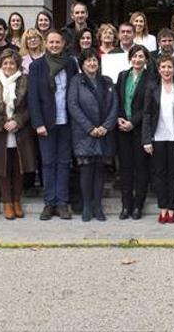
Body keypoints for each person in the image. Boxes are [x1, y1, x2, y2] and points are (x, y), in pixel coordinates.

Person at [28, 30, 80, 220]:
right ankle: (49, 203)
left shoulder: (71, 64)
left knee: (64, 163)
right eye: (51, 42)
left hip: (66, 121)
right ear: (46, 43)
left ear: (63, 43)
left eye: (58, 42)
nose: (55, 45)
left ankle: (62, 203)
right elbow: (32, 98)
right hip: (46, 124)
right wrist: (38, 123)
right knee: (48, 163)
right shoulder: (37, 66)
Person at [0, 49, 35, 220]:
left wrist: (17, 121)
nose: (8, 66)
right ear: (0, 64)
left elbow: (29, 107)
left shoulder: (25, 81)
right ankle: (7, 203)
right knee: (3, 170)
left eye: (12, 63)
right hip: (0, 133)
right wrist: (2, 122)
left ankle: (17, 201)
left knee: (18, 169)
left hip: (20, 132)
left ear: (17, 65)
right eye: (5, 63)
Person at [67, 49, 118, 222]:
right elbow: (73, 105)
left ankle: (98, 205)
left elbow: (114, 106)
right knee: (86, 171)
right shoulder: (76, 81)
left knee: (100, 171)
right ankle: (87, 206)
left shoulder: (107, 81)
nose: (92, 63)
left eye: (94, 60)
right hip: (84, 133)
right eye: (88, 61)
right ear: (82, 64)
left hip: (104, 133)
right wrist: (90, 128)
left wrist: (106, 126)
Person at [143, 55, 174, 224]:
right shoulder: (152, 87)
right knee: (159, 174)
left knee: (173, 175)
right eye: (163, 67)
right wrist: (146, 140)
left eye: (169, 67)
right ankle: (162, 209)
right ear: (158, 69)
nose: (166, 70)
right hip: (157, 137)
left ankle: (172, 209)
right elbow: (147, 114)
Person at [115, 45, 151, 219]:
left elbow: (148, 107)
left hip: (140, 130)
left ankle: (138, 205)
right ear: (130, 58)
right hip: (122, 131)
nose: (137, 59)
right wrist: (119, 118)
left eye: (141, 56)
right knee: (126, 169)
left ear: (146, 60)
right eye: (135, 56)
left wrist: (132, 123)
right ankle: (126, 205)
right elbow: (118, 99)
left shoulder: (151, 78)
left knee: (141, 169)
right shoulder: (123, 76)